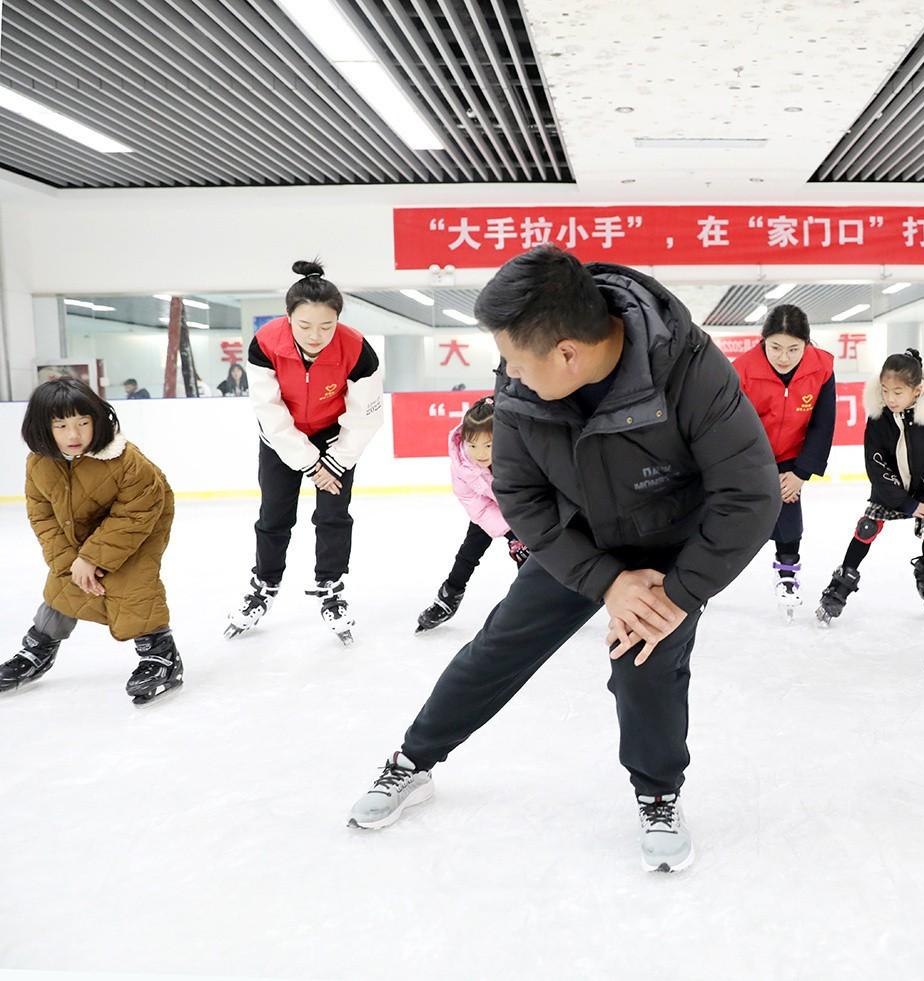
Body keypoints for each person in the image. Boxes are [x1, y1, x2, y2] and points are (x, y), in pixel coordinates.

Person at [347, 245, 779, 873]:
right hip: (574, 543)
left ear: (568, 352)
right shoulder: (523, 369)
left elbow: (750, 496)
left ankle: (657, 794)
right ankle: (411, 763)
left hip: (668, 554)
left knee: (647, 665)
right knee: (497, 648)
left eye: (520, 365)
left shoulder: (689, 367)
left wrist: (676, 596)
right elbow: (518, 492)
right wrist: (603, 579)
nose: (510, 377)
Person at [225, 260, 384, 647]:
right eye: (305, 326)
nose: (316, 336)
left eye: (327, 326)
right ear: (288, 318)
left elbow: (365, 417)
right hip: (281, 441)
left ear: (338, 320)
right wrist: (311, 465)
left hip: (334, 439)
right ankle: (264, 584)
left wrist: (333, 461)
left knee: (333, 516)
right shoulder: (265, 343)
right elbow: (269, 410)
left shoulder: (359, 350)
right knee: (274, 517)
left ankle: (330, 586)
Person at [3, 377, 182, 703]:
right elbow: (42, 516)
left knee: (132, 582)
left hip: (143, 523)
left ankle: (161, 654)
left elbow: (137, 511)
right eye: (61, 425)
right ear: (43, 427)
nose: (74, 435)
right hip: (79, 530)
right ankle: (38, 649)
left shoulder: (126, 460)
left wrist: (94, 558)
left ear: (96, 420)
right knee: (65, 585)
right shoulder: (39, 464)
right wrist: (71, 563)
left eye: (83, 422)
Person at [814, 348, 924, 625]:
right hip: (891, 488)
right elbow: (876, 464)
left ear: (917, 390)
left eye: (898, 392)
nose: (890, 398)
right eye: (885, 390)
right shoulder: (878, 418)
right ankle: (841, 584)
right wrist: (905, 502)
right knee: (867, 526)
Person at [731, 304, 836, 619]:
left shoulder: (821, 368)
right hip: (749, 455)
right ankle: (702, 580)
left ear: (807, 344)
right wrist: (757, 472)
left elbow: (823, 423)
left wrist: (801, 472)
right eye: (775, 347)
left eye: (794, 348)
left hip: (792, 457)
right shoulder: (742, 370)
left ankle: (787, 574)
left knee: (789, 513)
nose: (784, 356)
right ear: (762, 340)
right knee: (730, 520)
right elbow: (733, 425)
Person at [415, 398, 530, 633]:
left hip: (524, 509)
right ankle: (449, 596)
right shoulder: (462, 464)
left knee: (528, 555)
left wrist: (521, 533)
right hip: (486, 510)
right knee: (469, 552)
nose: (480, 453)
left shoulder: (519, 454)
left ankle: (531, 603)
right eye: (473, 444)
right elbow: (474, 504)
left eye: (488, 445)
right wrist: (511, 535)